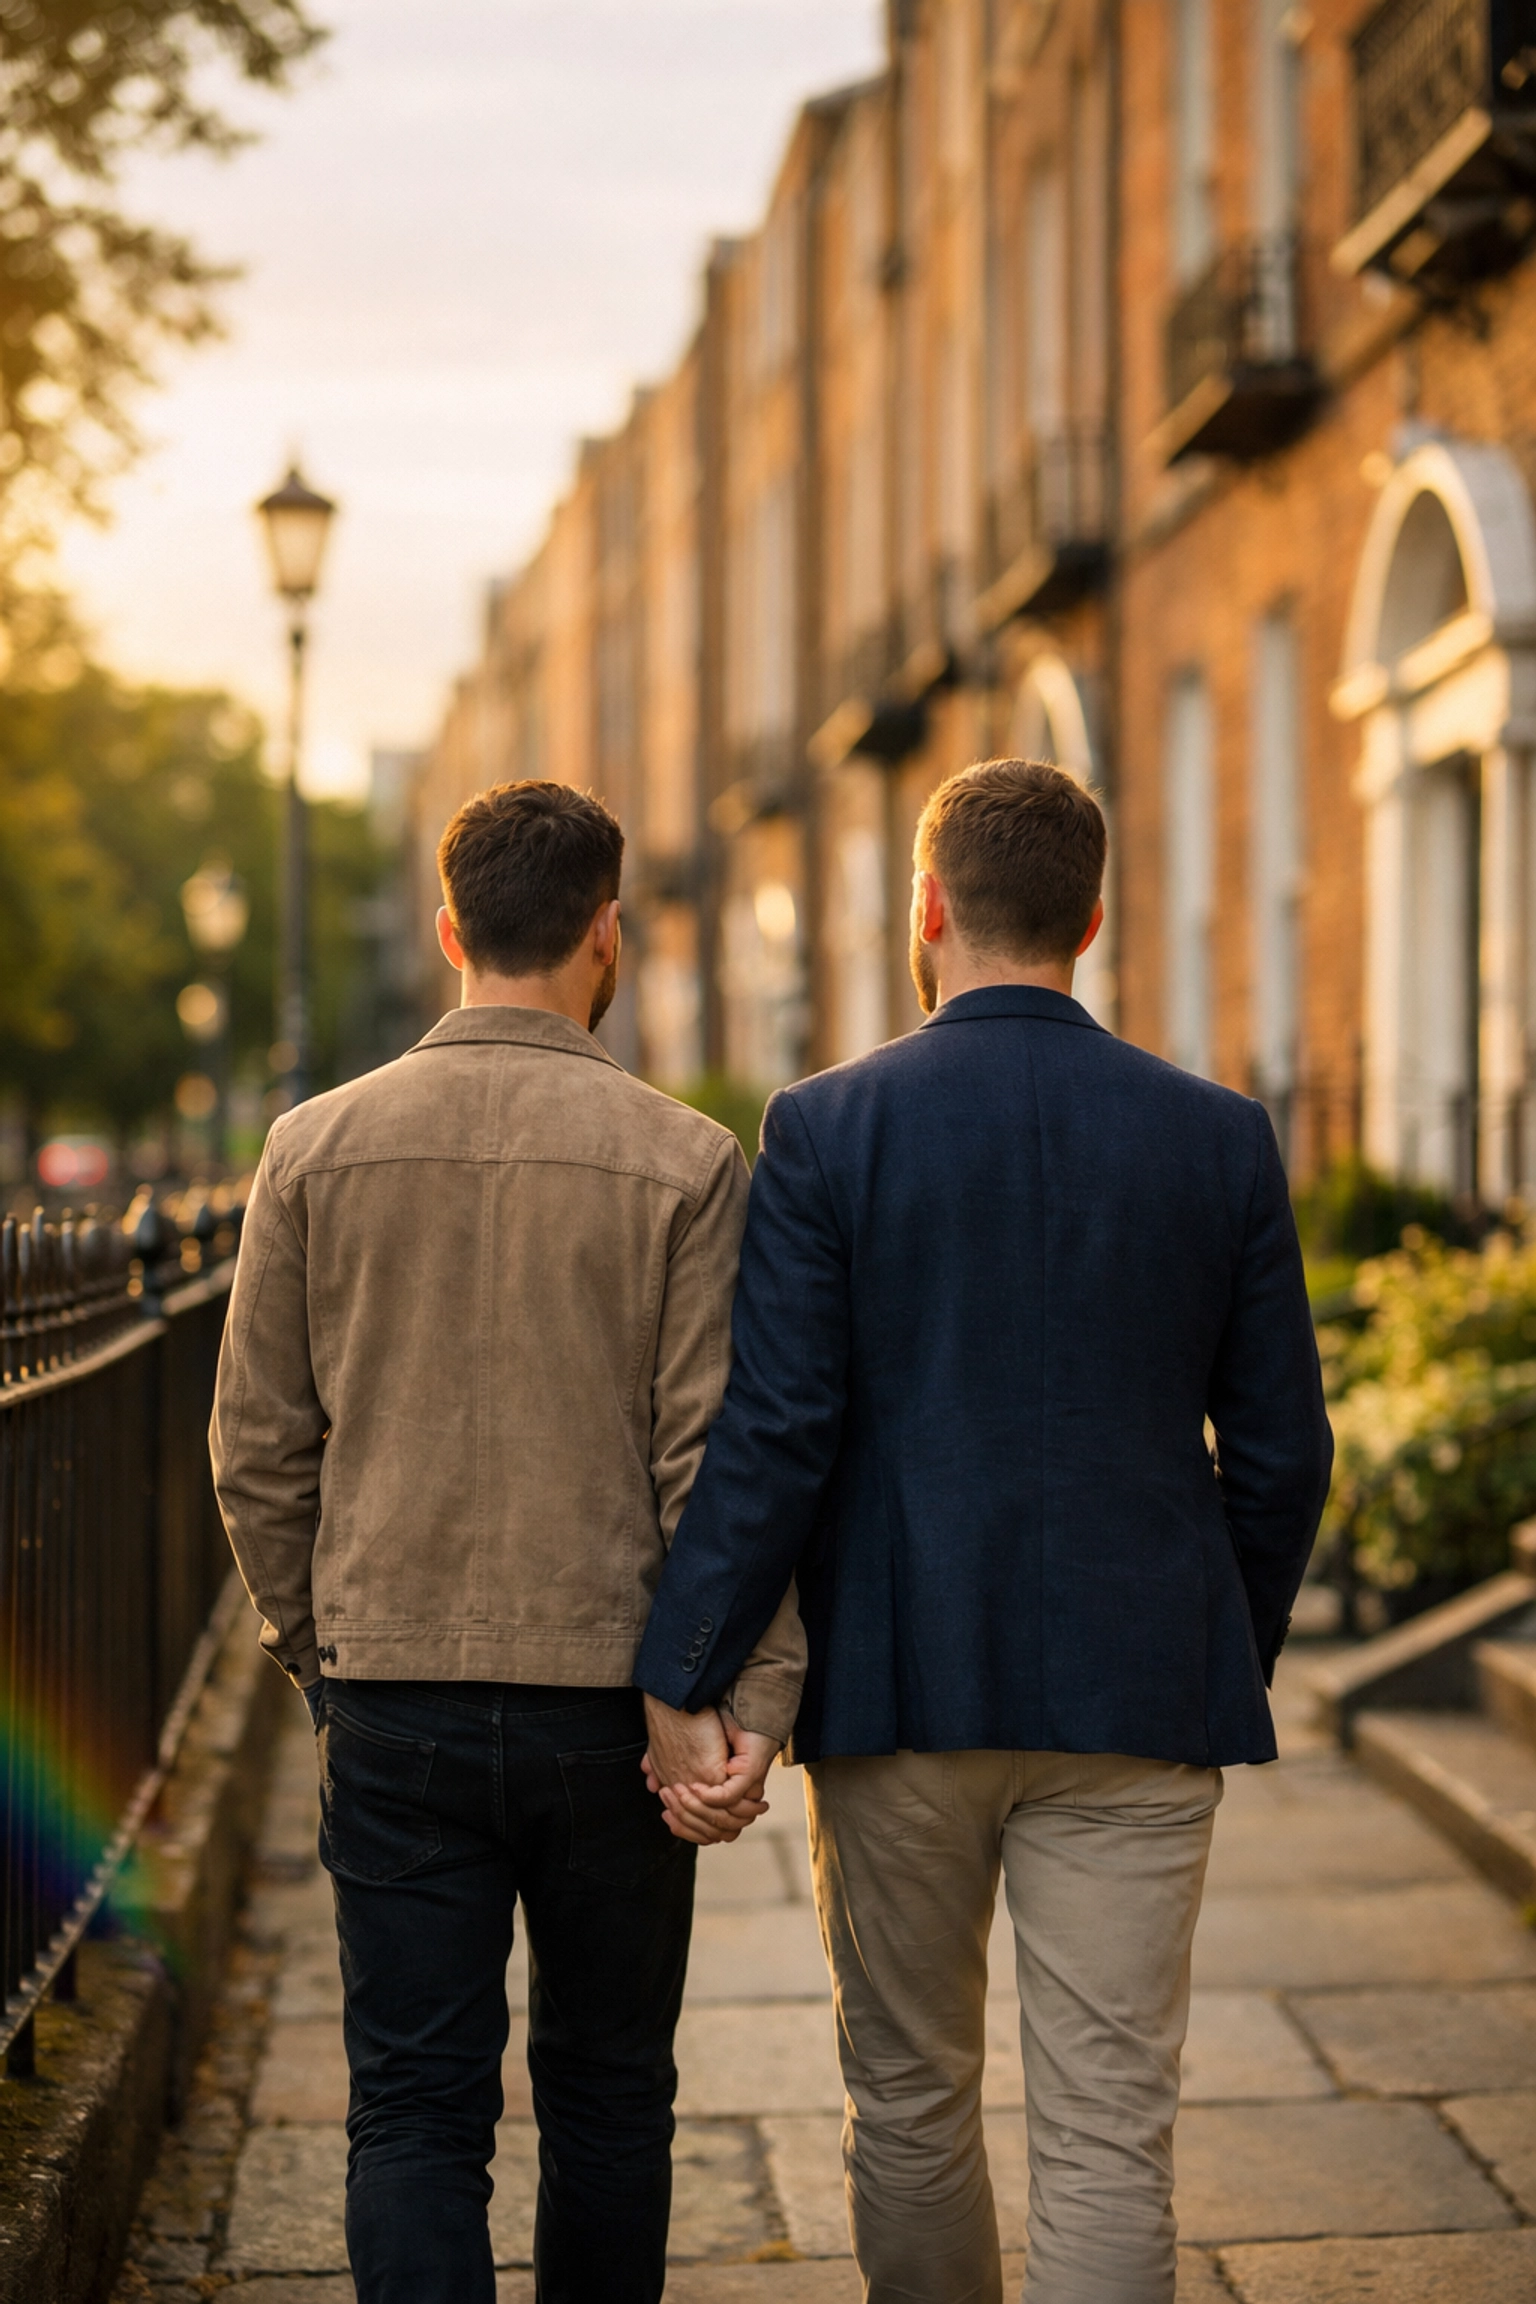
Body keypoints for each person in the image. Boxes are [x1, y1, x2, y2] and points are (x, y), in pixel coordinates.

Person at [635, 757, 1334, 2304]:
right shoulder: (1221, 1136)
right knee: (1108, 2134)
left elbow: (776, 1435)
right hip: (1141, 1694)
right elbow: (1285, 1455)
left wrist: (692, 1667)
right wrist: (1217, 1639)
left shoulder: (825, 1128)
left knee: (909, 2104)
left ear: (929, 907)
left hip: (903, 1690)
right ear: (1092, 918)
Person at [210, 778, 801, 2304]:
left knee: (414, 2109)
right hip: (617, 1709)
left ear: (449, 927)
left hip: (393, 1692)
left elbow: (259, 1451)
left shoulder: (312, 1149)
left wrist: (318, 1650)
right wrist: (742, 1699)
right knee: (610, 2098)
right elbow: (712, 1466)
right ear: (607, 935)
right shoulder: (684, 1162)